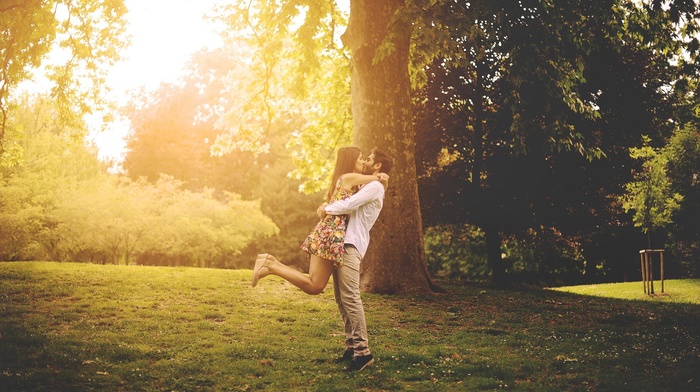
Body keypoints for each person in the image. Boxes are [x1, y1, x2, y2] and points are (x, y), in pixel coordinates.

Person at [251, 146, 388, 295]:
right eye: (360, 158)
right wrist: (382, 179)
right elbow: (376, 180)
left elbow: (366, 195)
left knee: (315, 285)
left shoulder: (350, 180)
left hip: (331, 232)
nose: (362, 162)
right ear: (351, 160)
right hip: (330, 232)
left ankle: (271, 263)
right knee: (314, 286)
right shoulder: (349, 177)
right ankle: (271, 266)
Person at [321, 148, 393, 372]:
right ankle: (351, 346)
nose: (365, 161)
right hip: (343, 243)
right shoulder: (368, 183)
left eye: (368, 159)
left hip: (351, 244)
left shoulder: (374, 186)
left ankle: (363, 353)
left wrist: (326, 209)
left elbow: (349, 206)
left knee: (351, 297)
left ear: (378, 166)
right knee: (341, 298)